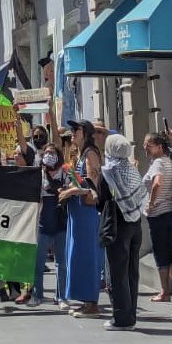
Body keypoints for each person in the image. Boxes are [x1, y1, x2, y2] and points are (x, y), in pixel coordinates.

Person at [100, 134, 147, 330]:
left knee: (118, 273)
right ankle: (131, 314)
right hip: (135, 223)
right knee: (132, 273)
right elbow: (141, 193)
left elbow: (101, 200)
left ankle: (121, 318)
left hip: (118, 225)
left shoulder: (109, 171)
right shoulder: (131, 169)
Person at [58, 120, 102, 317]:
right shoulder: (81, 154)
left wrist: (71, 191)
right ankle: (85, 300)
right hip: (77, 211)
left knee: (86, 255)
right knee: (76, 254)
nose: (73, 133)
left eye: (76, 130)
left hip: (86, 211)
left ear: (85, 132)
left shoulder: (91, 153)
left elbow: (93, 185)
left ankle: (92, 303)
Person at [142, 132, 172, 302]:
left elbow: (157, 182)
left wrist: (151, 203)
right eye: (144, 144)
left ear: (159, 147)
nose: (145, 148)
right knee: (169, 252)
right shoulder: (169, 161)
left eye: (149, 145)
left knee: (160, 254)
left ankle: (165, 291)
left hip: (158, 214)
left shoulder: (158, 163)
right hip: (168, 213)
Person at [31, 143, 68, 308]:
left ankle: (61, 297)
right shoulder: (39, 174)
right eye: (46, 153)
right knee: (38, 263)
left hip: (60, 222)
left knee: (61, 263)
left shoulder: (66, 172)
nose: (49, 155)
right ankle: (37, 294)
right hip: (43, 223)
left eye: (52, 153)